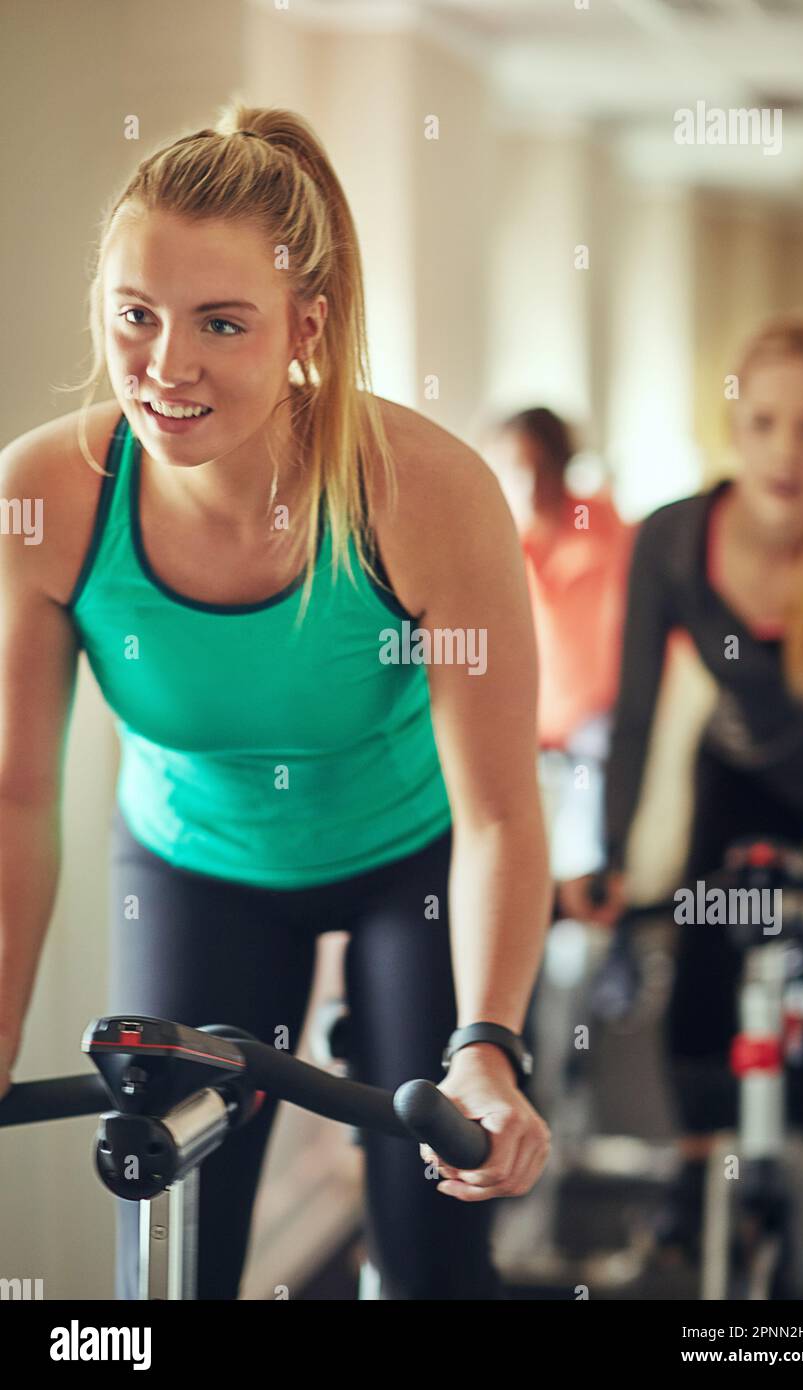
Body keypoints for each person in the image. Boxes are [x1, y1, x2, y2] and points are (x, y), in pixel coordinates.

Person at [0, 101, 553, 1300]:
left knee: (431, 1241)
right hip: (196, 864)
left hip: (412, 859)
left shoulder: (422, 493)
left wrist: (490, 1049)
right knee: (171, 1233)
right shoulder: (46, 497)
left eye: (221, 323)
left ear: (304, 324)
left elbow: (503, 809)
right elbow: (13, 799)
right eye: (135, 316)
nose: (166, 366)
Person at [566, 316, 803, 1259]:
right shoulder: (674, 538)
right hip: (743, 773)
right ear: (735, 430)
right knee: (699, 947)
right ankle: (700, 1177)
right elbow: (641, 712)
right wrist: (611, 856)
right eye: (766, 423)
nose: (788, 452)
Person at [484, 408, 634, 890]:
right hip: (526, 725)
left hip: (596, 722)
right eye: (515, 468)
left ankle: (587, 889)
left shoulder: (605, 530)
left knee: (584, 835)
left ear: (562, 465)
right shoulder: (495, 541)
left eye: (539, 466)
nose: (528, 482)